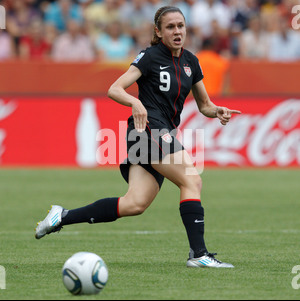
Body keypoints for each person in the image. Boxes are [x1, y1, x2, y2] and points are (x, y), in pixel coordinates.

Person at [35, 6, 241, 268]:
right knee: (192, 181)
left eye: (180, 25)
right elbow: (115, 89)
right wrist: (136, 103)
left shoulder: (191, 61)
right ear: (158, 31)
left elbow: (204, 105)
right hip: (148, 130)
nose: (177, 31)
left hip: (160, 133)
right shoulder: (150, 57)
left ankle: (61, 217)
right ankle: (199, 254)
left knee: (135, 204)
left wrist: (217, 111)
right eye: (170, 27)